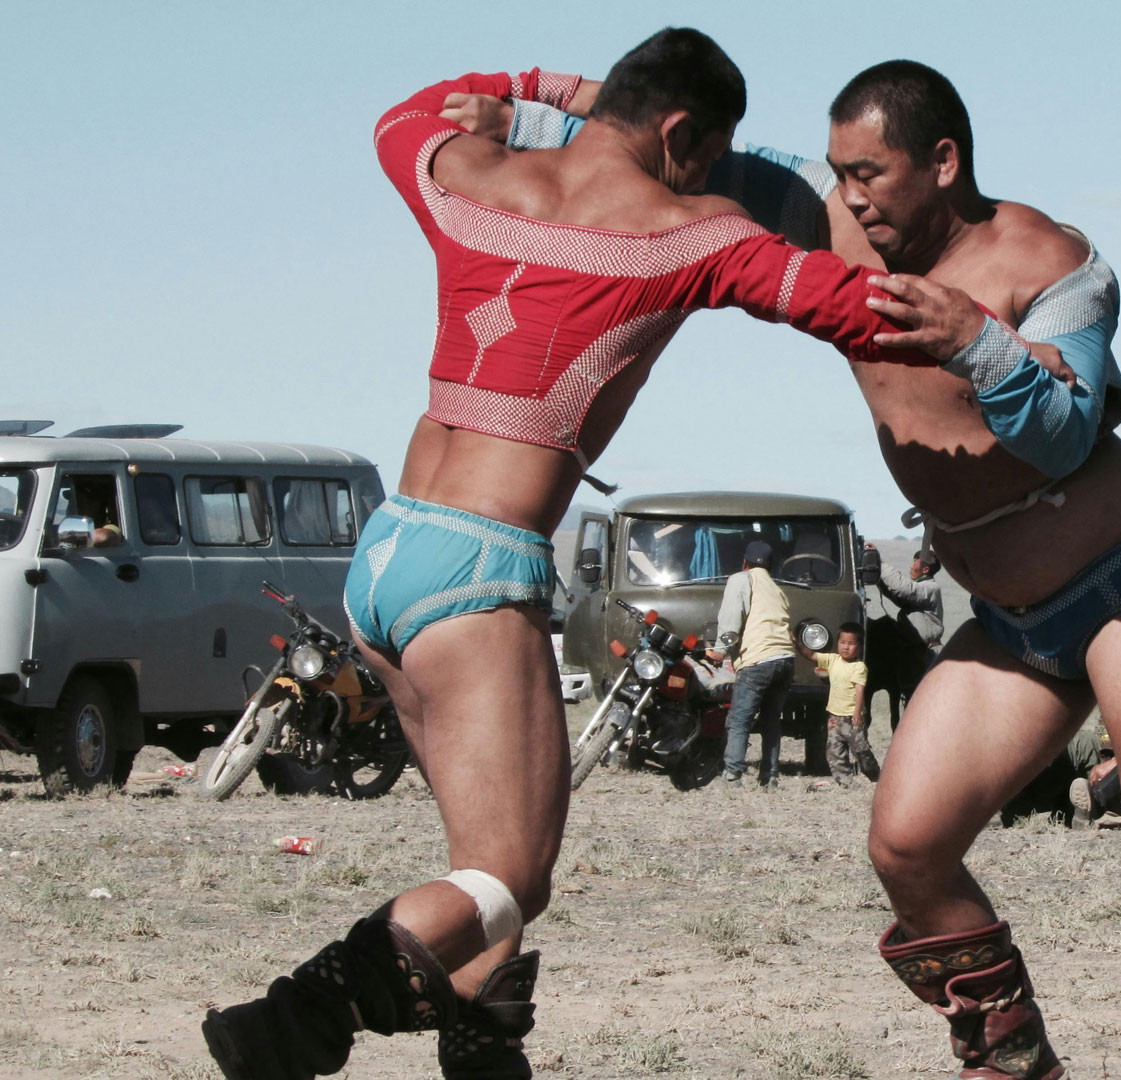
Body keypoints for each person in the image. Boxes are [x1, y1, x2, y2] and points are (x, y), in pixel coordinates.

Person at [500, 59, 1121, 1080]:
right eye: (839, 172)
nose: (853, 195)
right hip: (1007, 619)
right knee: (907, 845)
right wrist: (533, 103)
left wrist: (978, 345)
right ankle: (1011, 1057)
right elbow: (686, 156)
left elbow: (1064, 428)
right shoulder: (833, 226)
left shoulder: (1054, 263)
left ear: (943, 162)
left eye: (871, 171)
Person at [199, 31, 988, 1080]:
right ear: (680, 135)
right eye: (709, 155)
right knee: (514, 876)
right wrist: (987, 332)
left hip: (389, 555)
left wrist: (547, 94)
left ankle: (484, 1061)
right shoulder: (688, 230)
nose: (712, 176)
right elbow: (853, 309)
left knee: (481, 877)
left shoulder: (468, 176)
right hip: (481, 569)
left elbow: (410, 110)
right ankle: (297, 1018)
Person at [710, 540, 797, 788]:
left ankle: (732, 776)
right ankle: (770, 777)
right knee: (771, 720)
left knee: (740, 719)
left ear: (744, 563)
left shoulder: (741, 579)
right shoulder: (776, 589)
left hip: (758, 659)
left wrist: (719, 651)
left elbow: (730, 619)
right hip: (785, 659)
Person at [1000, 727, 1121, 830]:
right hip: (1021, 787)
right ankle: (1086, 809)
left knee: (1086, 743)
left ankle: (1086, 810)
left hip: (1057, 762)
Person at [797, 621, 872, 786]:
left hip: (852, 718)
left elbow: (859, 691)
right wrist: (797, 643)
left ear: (859, 646)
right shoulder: (832, 660)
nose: (846, 647)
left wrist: (857, 714)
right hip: (835, 717)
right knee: (834, 751)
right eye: (842, 642)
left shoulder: (859, 667)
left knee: (861, 751)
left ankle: (874, 774)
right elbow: (811, 655)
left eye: (851, 643)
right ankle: (844, 781)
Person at [870, 542, 945, 649]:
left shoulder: (931, 588)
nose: (911, 566)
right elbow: (897, 595)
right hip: (916, 650)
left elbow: (904, 589)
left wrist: (879, 563)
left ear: (925, 569)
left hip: (927, 652)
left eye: (915, 562)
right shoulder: (923, 588)